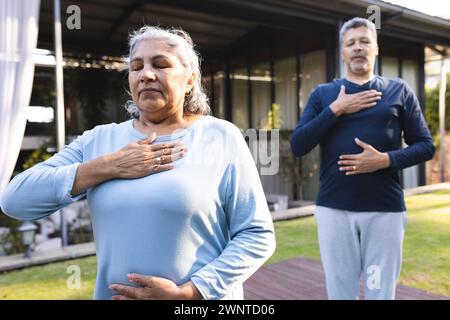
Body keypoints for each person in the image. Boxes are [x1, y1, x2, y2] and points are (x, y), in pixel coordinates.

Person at [0, 26, 276, 300]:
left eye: (160, 64)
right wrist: (110, 166)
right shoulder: (98, 141)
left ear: (190, 79)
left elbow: (256, 235)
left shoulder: (220, 137)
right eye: (136, 67)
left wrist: (190, 293)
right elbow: (15, 200)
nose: (145, 74)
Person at [290, 17, 435, 300]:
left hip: (384, 211)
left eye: (364, 41)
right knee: (341, 293)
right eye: (350, 43)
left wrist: (385, 160)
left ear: (376, 48)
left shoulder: (398, 90)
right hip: (335, 210)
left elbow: (425, 146)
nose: (358, 48)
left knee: (380, 292)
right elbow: (299, 144)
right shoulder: (324, 94)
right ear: (343, 52)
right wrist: (336, 109)